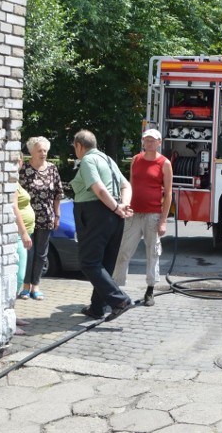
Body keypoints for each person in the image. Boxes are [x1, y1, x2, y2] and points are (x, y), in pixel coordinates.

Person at [71, 130, 134, 321]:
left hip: (95, 214)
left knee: (88, 262)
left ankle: (120, 300)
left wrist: (116, 207)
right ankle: (97, 308)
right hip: (114, 216)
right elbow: (126, 186)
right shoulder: (108, 160)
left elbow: (98, 188)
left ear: (79, 146)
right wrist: (123, 206)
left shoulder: (88, 161)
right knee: (104, 263)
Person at [112, 129, 173, 306]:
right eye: (146, 140)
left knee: (152, 253)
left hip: (153, 215)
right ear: (143, 142)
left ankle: (150, 290)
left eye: (153, 140)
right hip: (134, 213)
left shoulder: (164, 163)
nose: (149, 143)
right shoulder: (136, 159)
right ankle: (116, 289)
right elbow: (130, 185)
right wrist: (127, 205)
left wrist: (163, 220)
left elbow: (168, 194)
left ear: (159, 142)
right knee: (123, 251)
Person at [18, 136, 64, 300]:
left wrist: (57, 215)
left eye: (45, 150)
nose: (43, 153)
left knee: (41, 253)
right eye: (39, 151)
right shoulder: (24, 170)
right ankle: (25, 285)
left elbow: (58, 194)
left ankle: (35, 286)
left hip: (46, 216)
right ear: (31, 152)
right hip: (27, 218)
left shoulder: (52, 168)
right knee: (28, 252)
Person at [12, 162, 34, 335]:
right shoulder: (12, 181)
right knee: (18, 277)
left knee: (19, 276)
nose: (19, 163)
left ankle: (12, 314)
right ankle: (9, 319)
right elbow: (14, 207)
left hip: (22, 235)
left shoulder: (17, 180)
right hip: (18, 235)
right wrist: (24, 233)